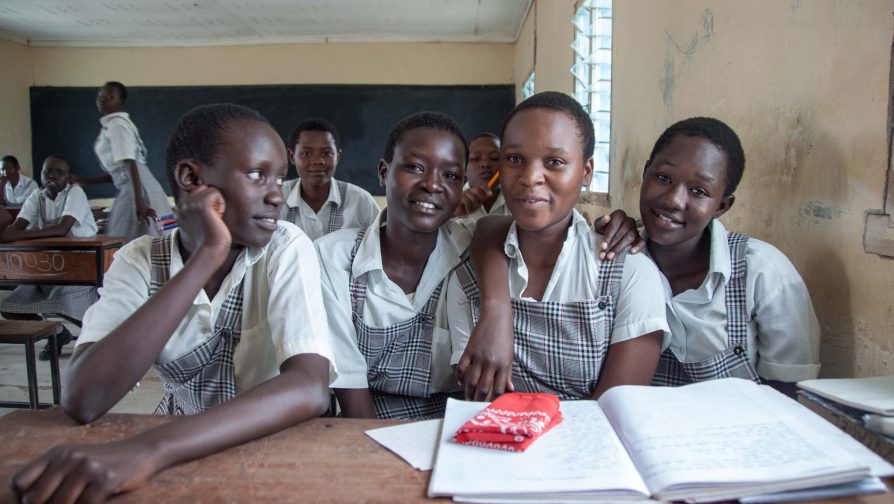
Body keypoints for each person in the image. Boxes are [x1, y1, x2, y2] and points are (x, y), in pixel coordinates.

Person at [11, 103, 335, 503]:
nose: (277, 196)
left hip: (271, 442)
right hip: (182, 442)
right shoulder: (138, 259)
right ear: (192, 178)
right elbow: (84, 398)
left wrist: (147, 449)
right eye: (256, 175)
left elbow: (309, 387)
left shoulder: (285, 247)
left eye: (279, 179)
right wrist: (206, 256)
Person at [467, 116, 821, 398]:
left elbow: (788, 391)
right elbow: (489, 229)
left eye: (699, 191)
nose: (673, 199)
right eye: (663, 178)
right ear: (645, 171)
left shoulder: (761, 272)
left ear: (722, 205)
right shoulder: (617, 253)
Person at [446, 92, 669, 401]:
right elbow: (481, 405)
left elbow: (616, 408)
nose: (530, 177)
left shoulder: (628, 272)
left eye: (554, 162)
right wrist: (495, 310)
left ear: (586, 171)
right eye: (514, 159)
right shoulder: (469, 279)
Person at [316, 111, 469, 419]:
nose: (432, 185)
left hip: (455, 422)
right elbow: (347, 375)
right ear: (384, 172)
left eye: (450, 175)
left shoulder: (474, 252)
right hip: (364, 422)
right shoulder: (334, 257)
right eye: (414, 167)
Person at [0, 155, 97, 360]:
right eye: (47, 171)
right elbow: (18, 225)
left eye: (59, 172)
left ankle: (102, 338)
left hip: (80, 265)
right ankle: (58, 333)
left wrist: (16, 234)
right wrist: (9, 230)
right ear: (41, 174)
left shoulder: (75, 192)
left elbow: (63, 228)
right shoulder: (38, 195)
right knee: (10, 308)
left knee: (61, 302)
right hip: (48, 266)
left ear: (69, 177)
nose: (52, 175)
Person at [80, 81, 173, 241]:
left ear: (121, 102)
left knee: (124, 238)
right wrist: (85, 181)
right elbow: (120, 171)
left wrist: (140, 203)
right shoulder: (111, 125)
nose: (103, 99)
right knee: (139, 239)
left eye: (110, 97)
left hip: (137, 189)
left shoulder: (117, 125)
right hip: (134, 185)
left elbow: (131, 163)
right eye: (101, 95)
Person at [280, 118, 379, 241]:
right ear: (291, 156)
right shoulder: (276, 198)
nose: (317, 161)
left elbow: (379, 247)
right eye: (306, 153)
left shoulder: (361, 202)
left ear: (338, 156)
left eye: (327, 153)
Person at [453, 132, 509, 221]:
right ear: (463, 169)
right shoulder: (450, 205)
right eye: (476, 159)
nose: (485, 164)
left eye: (495, 158)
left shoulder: (517, 201)